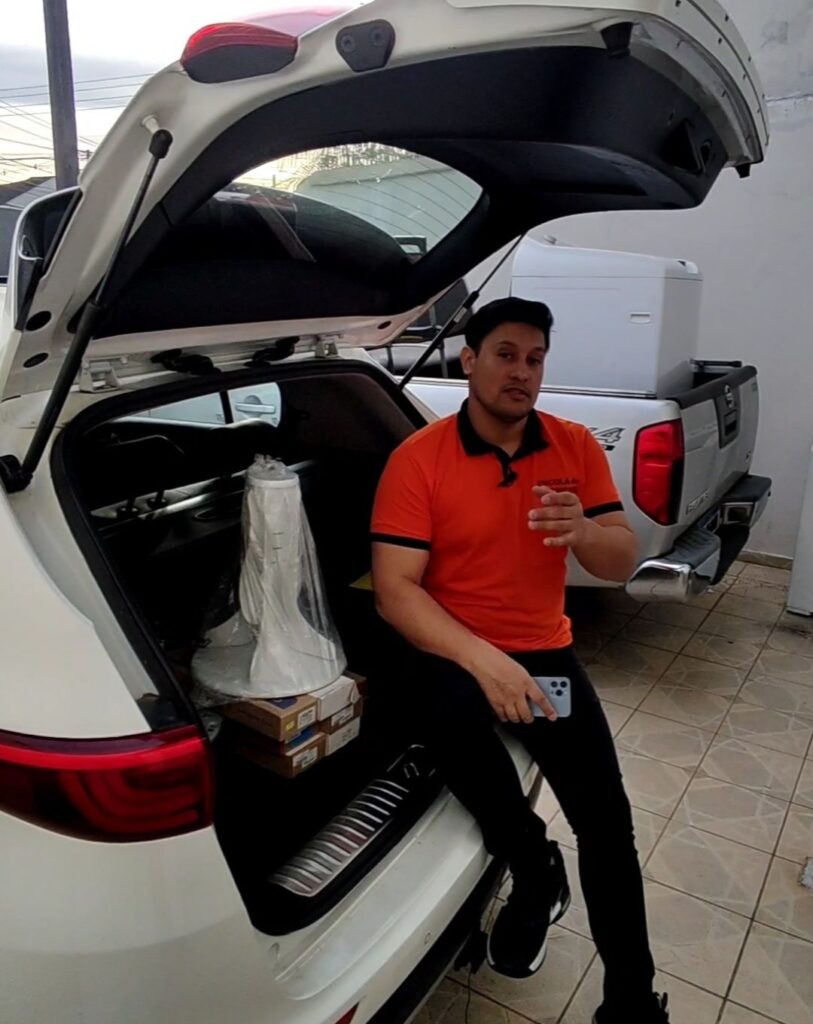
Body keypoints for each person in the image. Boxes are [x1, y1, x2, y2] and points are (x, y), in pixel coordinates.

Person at [370, 297, 669, 1024]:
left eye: (535, 359)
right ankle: (535, 870)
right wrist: (485, 662)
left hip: (544, 661)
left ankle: (630, 1001)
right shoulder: (419, 459)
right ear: (469, 360)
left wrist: (584, 534)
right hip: (451, 653)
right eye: (505, 355)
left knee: (606, 820)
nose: (522, 372)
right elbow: (395, 592)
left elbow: (620, 558)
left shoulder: (573, 446)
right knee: (445, 719)